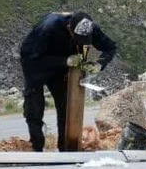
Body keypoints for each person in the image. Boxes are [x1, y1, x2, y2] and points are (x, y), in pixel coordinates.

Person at [19, 11, 117, 152]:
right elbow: (31, 59)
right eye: (78, 39)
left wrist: (98, 63)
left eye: (84, 40)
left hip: (62, 68)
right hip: (36, 64)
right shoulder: (48, 28)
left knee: (66, 106)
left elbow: (110, 47)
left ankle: (65, 148)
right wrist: (65, 60)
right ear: (70, 28)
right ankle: (37, 147)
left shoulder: (90, 28)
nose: (80, 42)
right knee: (34, 107)